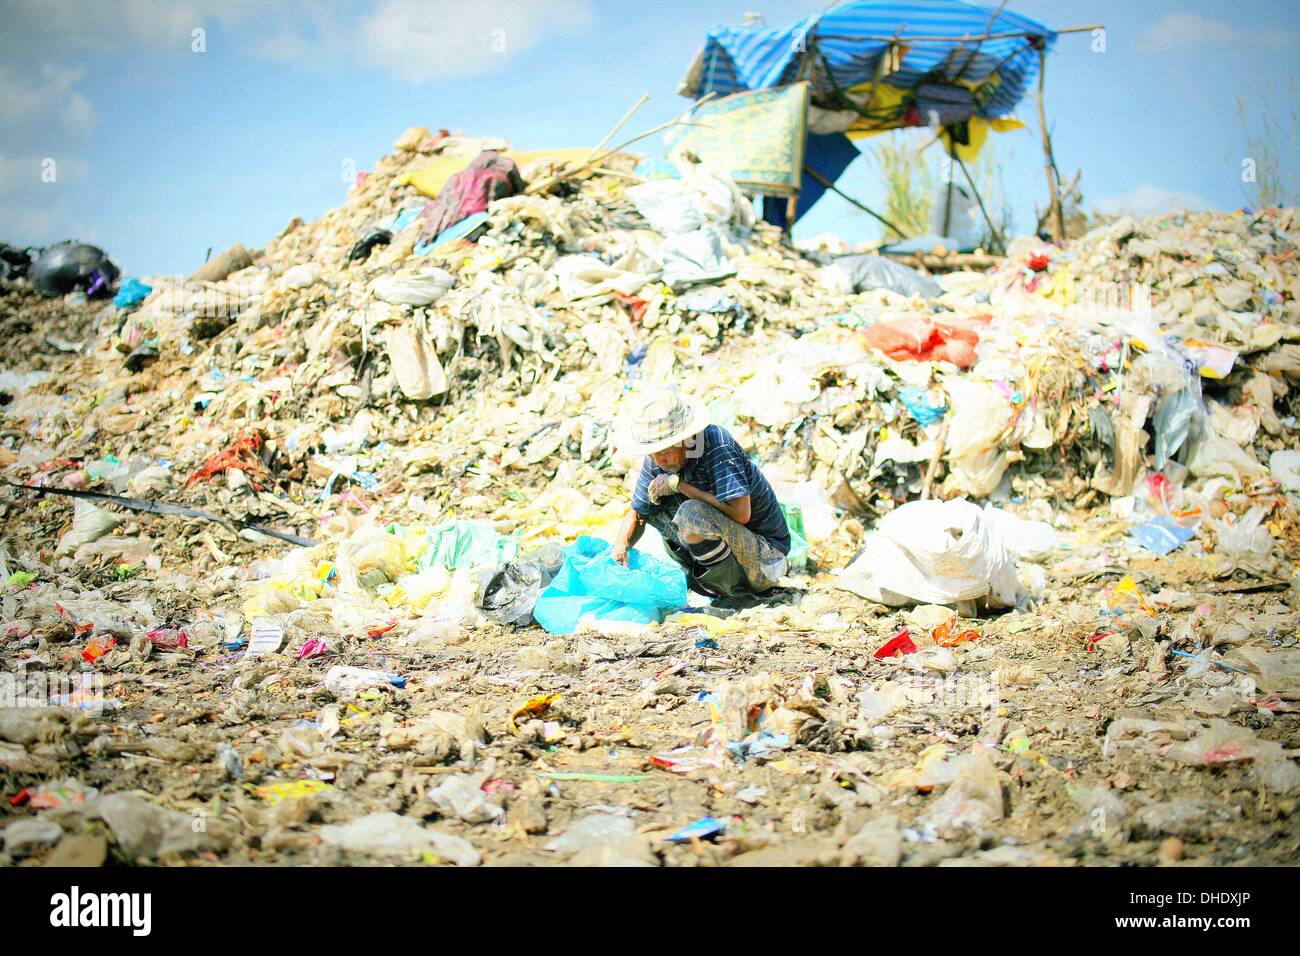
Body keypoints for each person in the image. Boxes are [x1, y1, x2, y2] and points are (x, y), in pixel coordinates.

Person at [612, 390, 789, 598]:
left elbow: (742, 515)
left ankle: (734, 594)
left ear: (685, 440)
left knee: (691, 514)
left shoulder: (717, 446)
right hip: (729, 554)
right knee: (653, 502)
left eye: (664, 452)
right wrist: (620, 548)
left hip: (766, 561)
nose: (658, 460)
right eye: (653, 453)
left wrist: (681, 486)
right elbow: (639, 512)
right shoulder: (657, 459)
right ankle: (704, 583)